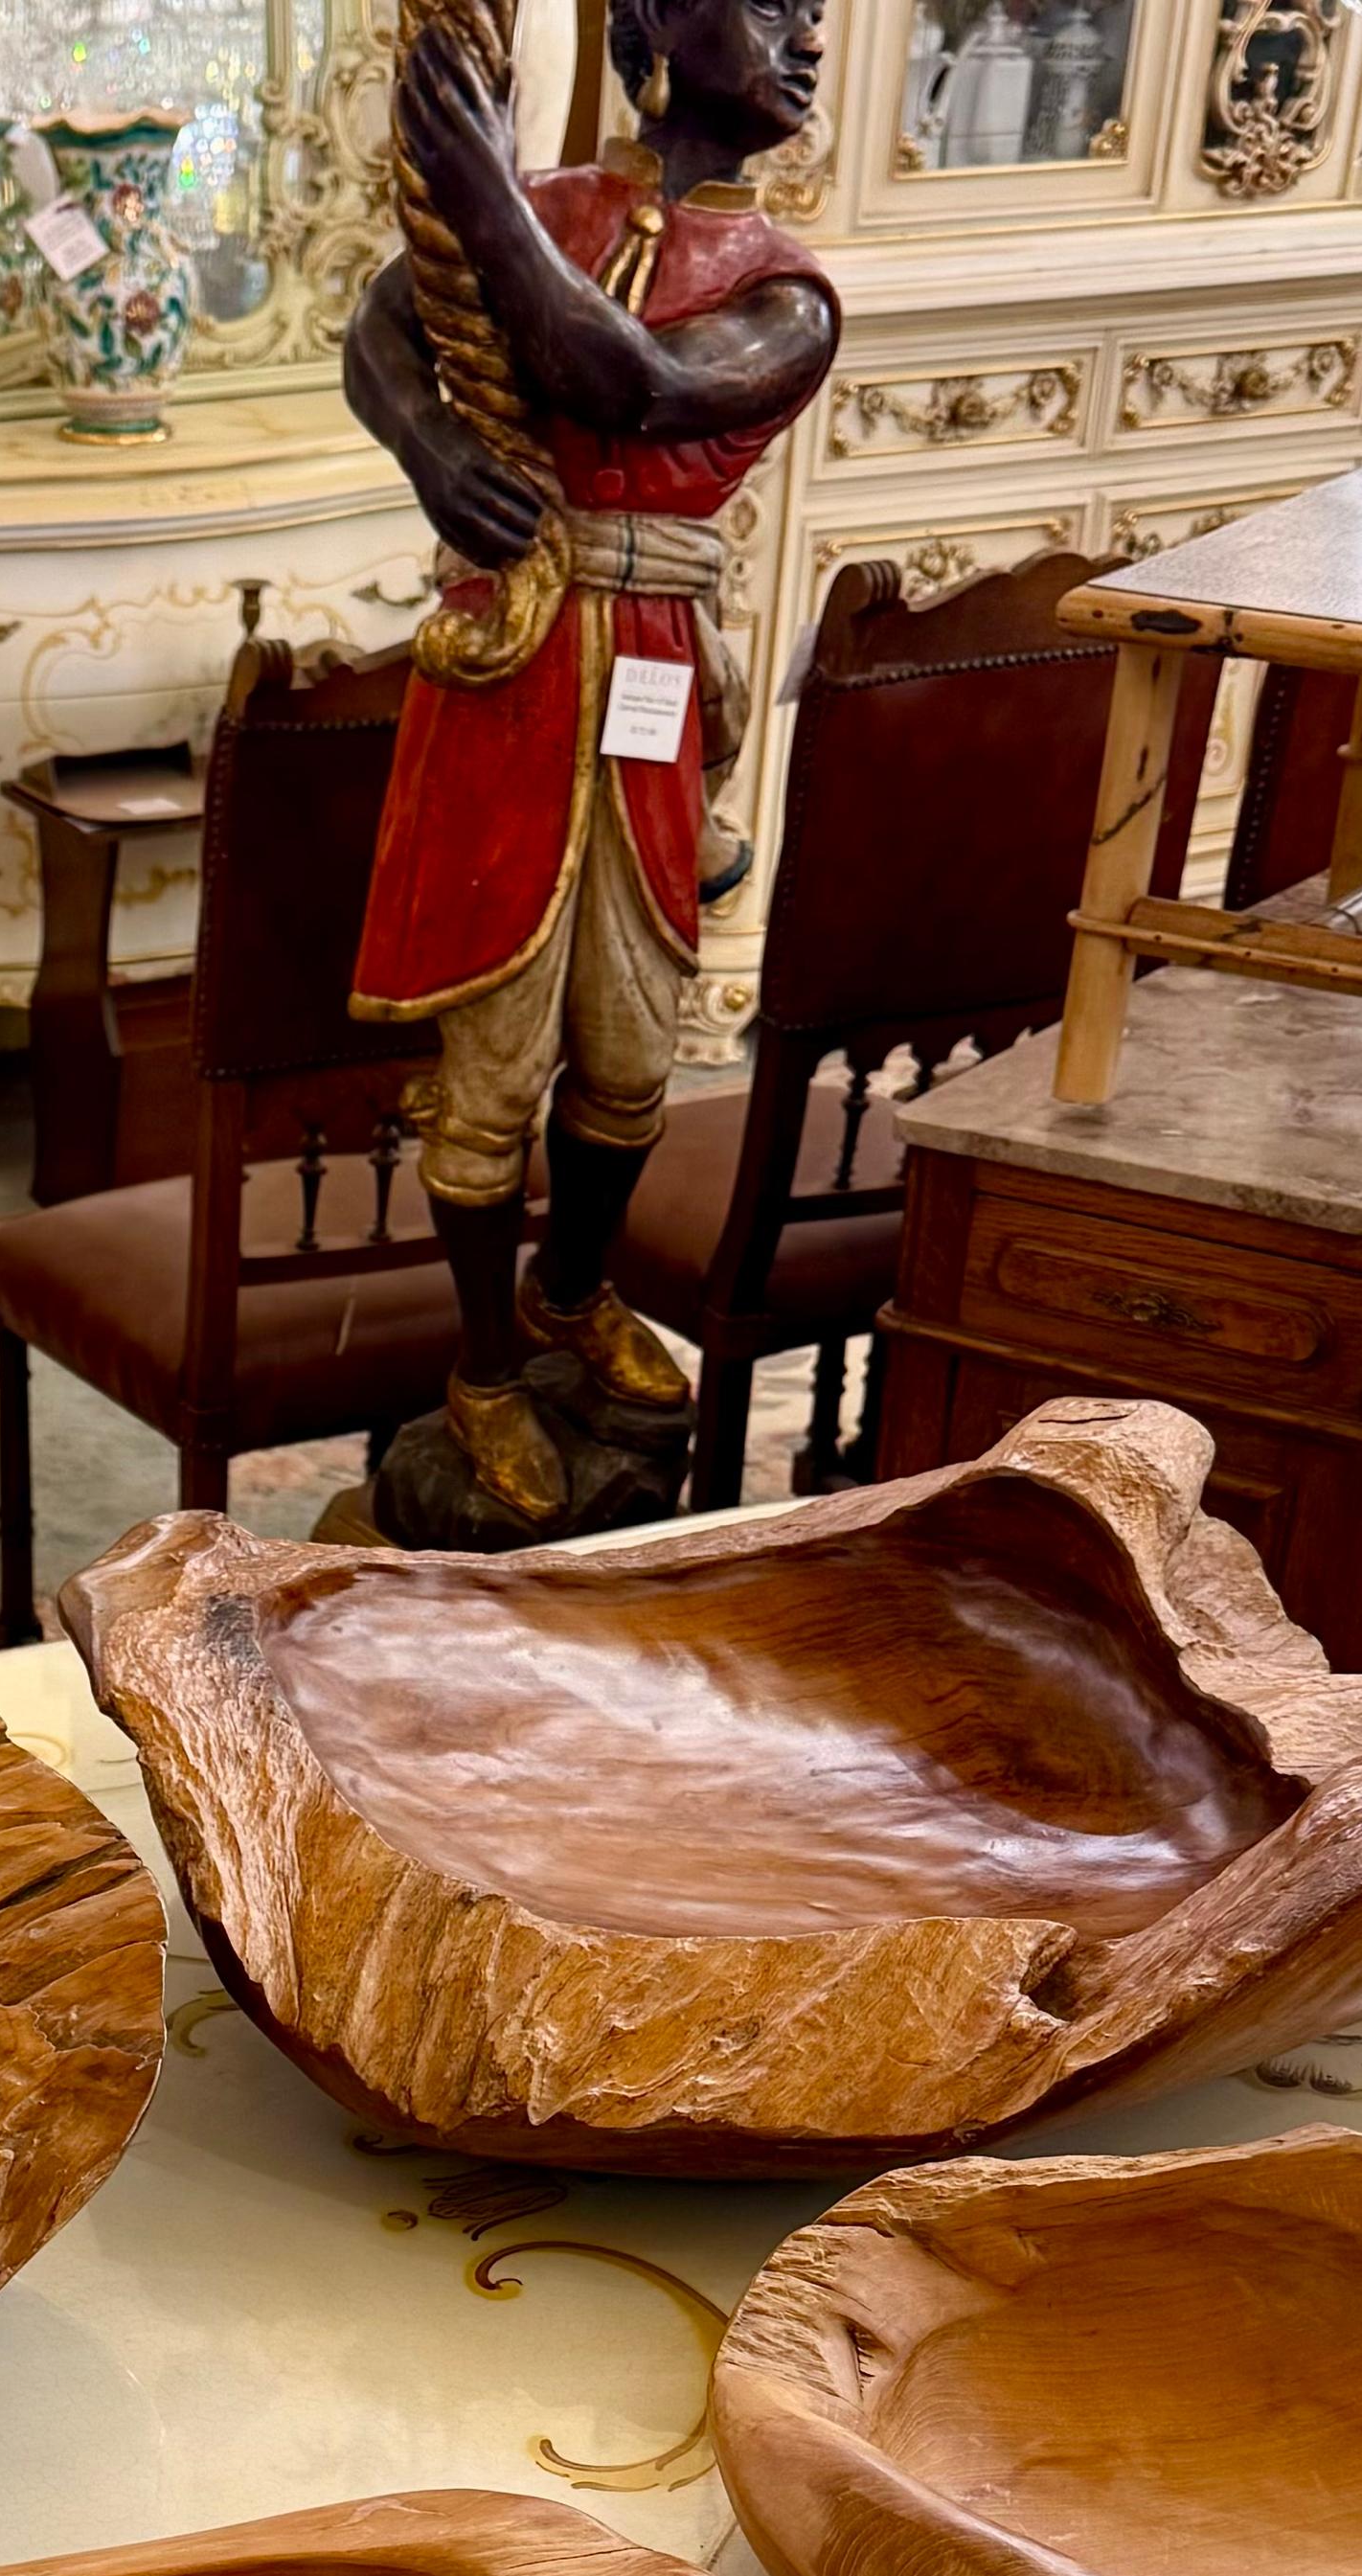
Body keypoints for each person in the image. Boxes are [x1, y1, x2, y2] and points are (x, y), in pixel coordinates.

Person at [342, 0, 837, 1525]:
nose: (807, 38)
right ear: (655, 28)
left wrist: (482, 187)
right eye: (768, 7)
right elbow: (380, 331)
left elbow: (627, 379)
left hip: (655, 680)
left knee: (631, 1059)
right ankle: (486, 1370)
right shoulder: (557, 210)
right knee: (487, 1072)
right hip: (504, 669)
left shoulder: (789, 296)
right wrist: (436, 452)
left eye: (817, 16)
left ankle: (570, 1288)